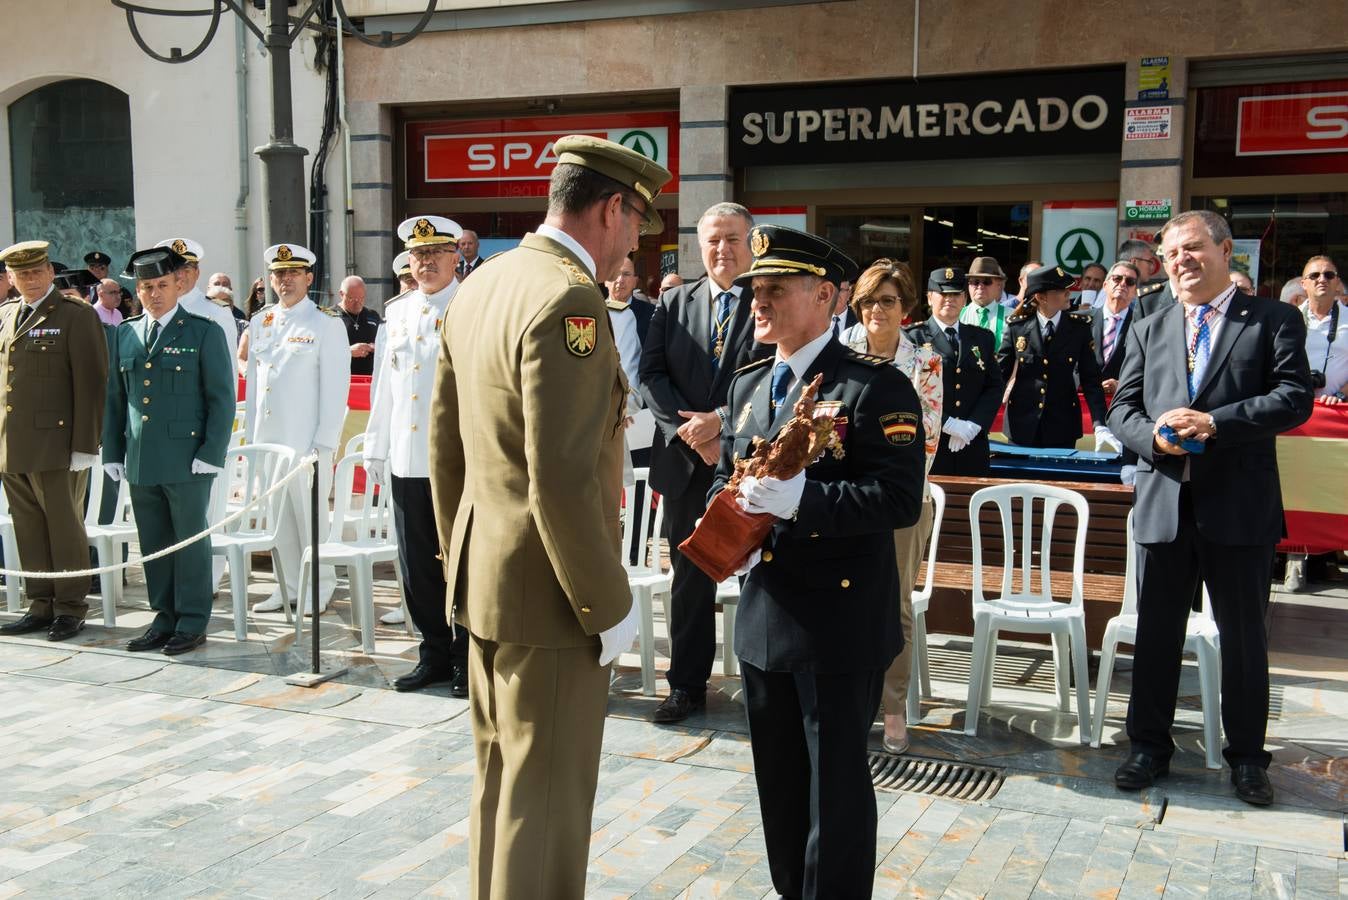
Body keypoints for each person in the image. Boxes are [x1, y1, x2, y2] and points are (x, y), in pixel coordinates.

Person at [429, 134, 667, 897]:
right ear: (608, 208)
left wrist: (463, 559)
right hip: (555, 594)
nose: (634, 244)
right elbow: (560, 479)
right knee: (549, 802)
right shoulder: (569, 298)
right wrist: (607, 604)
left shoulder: (484, 282)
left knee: (500, 787)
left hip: (491, 578)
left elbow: (446, 451)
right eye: (635, 223)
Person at [715, 224, 924, 899]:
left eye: (776, 289)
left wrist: (806, 498)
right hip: (764, 617)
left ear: (826, 296)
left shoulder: (874, 389)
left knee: (833, 795)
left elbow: (898, 499)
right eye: (756, 289)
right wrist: (727, 524)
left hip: (837, 622)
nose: (759, 301)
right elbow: (733, 475)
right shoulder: (750, 384)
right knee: (778, 786)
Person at [1108, 210, 1313, 807]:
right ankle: (1148, 747)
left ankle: (1248, 757)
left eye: (1193, 249)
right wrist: (1154, 439)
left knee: (1244, 639)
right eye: (1171, 254)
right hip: (1165, 503)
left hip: (1239, 507)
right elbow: (1122, 408)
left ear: (1226, 251)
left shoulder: (1273, 319)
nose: (1181, 261)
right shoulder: (1149, 323)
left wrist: (1214, 423)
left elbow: (1293, 398)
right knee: (1156, 636)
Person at [639, 201, 762, 725]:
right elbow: (650, 374)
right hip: (687, 467)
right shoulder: (674, 303)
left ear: (751, 243)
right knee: (689, 581)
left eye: (733, 239)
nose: (721, 250)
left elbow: (778, 375)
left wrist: (721, 422)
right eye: (712, 239)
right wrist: (689, 432)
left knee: (764, 577)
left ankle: (767, 687)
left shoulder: (770, 300)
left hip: (752, 465)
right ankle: (686, 685)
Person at [103, 247, 234, 655]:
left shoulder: (203, 330)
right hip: (142, 458)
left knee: (189, 542)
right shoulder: (126, 332)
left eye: (161, 285)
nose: (154, 294)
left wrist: (211, 452)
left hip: (187, 458)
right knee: (155, 542)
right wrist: (112, 451)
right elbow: (114, 398)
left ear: (178, 285)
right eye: (145, 287)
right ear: (136, 291)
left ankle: (192, 622)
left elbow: (221, 399)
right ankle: (163, 619)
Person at [364, 215, 469, 696]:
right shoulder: (399, 312)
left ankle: (467, 656)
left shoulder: (472, 305)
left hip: (457, 462)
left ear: (455, 258)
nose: (425, 263)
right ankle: (432, 650)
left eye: (435, 254)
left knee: (462, 564)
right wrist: (375, 445)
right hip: (407, 458)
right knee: (416, 565)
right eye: (418, 256)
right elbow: (386, 386)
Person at [840, 258, 941, 756]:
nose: (877, 309)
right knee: (848, 600)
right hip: (846, 501)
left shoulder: (925, 363)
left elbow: (926, 443)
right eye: (869, 301)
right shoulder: (838, 356)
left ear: (906, 308)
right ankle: (851, 702)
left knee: (895, 605)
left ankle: (894, 707)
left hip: (902, 502)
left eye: (889, 300)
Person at [0, 240, 108, 642]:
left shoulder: (74, 315)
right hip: (14, 444)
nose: (27, 280)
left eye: (34, 272)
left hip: (58, 443)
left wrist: (86, 443)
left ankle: (70, 607)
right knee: (28, 527)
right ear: (10, 278)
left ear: (49, 273)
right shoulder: (7, 314)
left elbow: (92, 381)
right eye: (19, 274)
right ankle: (40, 603)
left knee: (64, 528)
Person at [243, 243, 348, 614]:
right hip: (270, 441)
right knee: (278, 518)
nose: (285, 280)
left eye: (292, 273)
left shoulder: (326, 322)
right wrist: (252, 440)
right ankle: (286, 584)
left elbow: (337, 389)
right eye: (278, 274)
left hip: (306, 442)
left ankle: (321, 584)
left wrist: (324, 443)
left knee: (311, 519)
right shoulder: (261, 322)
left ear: (308, 278)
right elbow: (256, 386)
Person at [998, 265, 1115, 450]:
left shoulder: (1079, 328)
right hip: (1021, 425)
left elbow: (1091, 380)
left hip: (1063, 425)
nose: (1068, 294)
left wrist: (1100, 424)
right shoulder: (1017, 328)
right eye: (1060, 290)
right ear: (1041, 297)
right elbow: (999, 376)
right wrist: (979, 418)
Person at [908, 267, 1003, 476]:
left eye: (955, 294)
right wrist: (946, 423)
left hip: (972, 443)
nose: (949, 299)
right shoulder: (914, 338)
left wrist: (975, 424)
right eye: (943, 293)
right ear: (930, 297)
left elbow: (994, 386)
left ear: (964, 299)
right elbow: (909, 391)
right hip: (930, 443)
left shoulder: (982, 337)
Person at [153, 238, 239, 369]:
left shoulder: (217, 311)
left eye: (186, 269)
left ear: (197, 273)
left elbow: (228, 368)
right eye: (173, 269)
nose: (179, 276)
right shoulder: (152, 309)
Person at [1300, 256, 1347, 404]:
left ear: (1337, 283)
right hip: (1295, 407)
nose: (1322, 279)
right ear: (1304, 284)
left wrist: (1340, 394)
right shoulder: (1288, 319)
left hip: (1338, 410)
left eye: (1329, 275)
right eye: (1314, 275)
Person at [1092, 261, 1141, 395]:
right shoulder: (1081, 321)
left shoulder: (1142, 326)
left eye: (1130, 281)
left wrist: (1122, 384)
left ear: (1135, 292)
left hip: (1121, 400)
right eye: (1117, 278)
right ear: (1105, 285)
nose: (1123, 284)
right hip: (1081, 400)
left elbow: (1147, 369)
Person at [959, 256, 1012, 348]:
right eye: (975, 282)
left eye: (987, 282)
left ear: (999, 285)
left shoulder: (1012, 316)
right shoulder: (957, 316)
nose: (980, 286)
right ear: (969, 286)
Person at [334, 275, 381, 376]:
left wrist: (377, 347)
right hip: (341, 380)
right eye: (351, 299)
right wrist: (348, 352)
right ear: (341, 294)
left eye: (361, 298)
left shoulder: (373, 315)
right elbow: (319, 352)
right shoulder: (328, 316)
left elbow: (386, 342)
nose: (357, 303)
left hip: (370, 381)